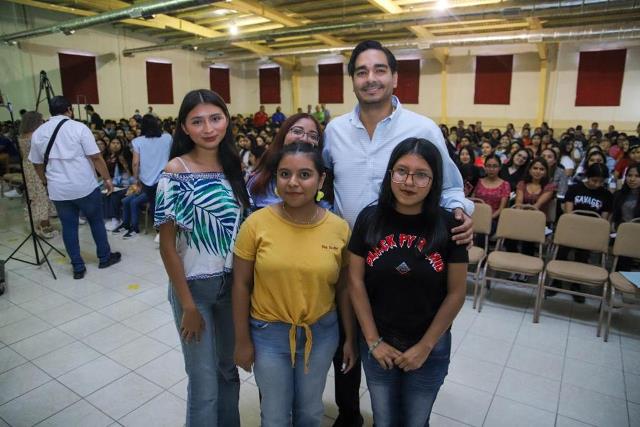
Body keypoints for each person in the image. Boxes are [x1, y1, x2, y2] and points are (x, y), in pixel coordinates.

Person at [322, 40, 473, 427]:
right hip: (350, 262)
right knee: (348, 346)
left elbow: (450, 186)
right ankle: (349, 416)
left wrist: (460, 214)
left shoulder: (422, 128)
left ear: (394, 77)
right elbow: (320, 184)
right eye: (361, 71)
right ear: (352, 80)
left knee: (404, 341)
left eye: (379, 70)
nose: (370, 79)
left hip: (408, 259)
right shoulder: (335, 131)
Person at [233, 143, 356, 427]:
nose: (293, 182)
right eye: (285, 174)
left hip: (321, 334)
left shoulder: (339, 228)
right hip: (269, 334)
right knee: (275, 414)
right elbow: (241, 284)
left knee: (310, 411)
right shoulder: (256, 224)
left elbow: (344, 288)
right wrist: (242, 340)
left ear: (321, 180)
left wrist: (350, 337)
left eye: (304, 174)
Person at [348, 138, 468, 426]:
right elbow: (355, 280)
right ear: (390, 173)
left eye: (421, 175)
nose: (409, 182)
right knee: (384, 420)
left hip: (429, 344)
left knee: (416, 421)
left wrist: (425, 346)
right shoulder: (369, 218)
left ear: (434, 181)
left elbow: (457, 293)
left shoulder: (450, 226)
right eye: (401, 171)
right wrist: (373, 340)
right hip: (378, 341)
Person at [156, 89, 249, 427]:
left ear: (226, 120)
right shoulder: (176, 171)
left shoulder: (235, 166)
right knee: (204, 383)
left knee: (228, 372)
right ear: (184, 127)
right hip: (193, 290)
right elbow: (167, 245)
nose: (208, 128)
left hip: (231, 288)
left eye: (215, 118)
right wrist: (188, 306)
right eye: (197, 121)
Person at [28, 96, 120, 279]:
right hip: (84, 185)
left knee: (68, 226)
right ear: (69, 109)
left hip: (58, 189)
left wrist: (45, 181)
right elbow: (96, 157)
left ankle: (78, 267)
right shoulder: (79, 128)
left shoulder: (39, 132)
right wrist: (107, 179)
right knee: (96, 221)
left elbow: (36, 163)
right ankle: (104, 257)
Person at [247, 113, 327, 210]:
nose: (304, 139)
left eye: (313, 136)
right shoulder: (261, 180)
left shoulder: (323, 181)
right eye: (297, 131)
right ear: (283, 135)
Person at [130, 114, 172, 239]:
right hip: (165, 177)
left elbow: (135, 163)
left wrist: (135, 179)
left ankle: (159, 233)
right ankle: (171, 231)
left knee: (154, 204)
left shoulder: (137, 141)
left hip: (147, 180)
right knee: (167, 204)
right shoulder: (167, 138)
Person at [18, 111, 57, 238]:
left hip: (27, 166)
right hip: (36, 166)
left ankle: (42, 223)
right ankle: (44, 225)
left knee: (35, 195)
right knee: (42, 195)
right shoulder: (35, 135)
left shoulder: (22, 136)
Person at [473, 154, 511, 230]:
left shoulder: (505, 185)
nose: (491, 169)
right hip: (475, 216)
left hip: (493, 219)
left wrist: (487, 219)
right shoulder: (478, 181)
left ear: (500, 167)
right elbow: (472, 201)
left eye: (495, 166)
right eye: (488, 166)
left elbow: (501, 209)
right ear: (484, 167)